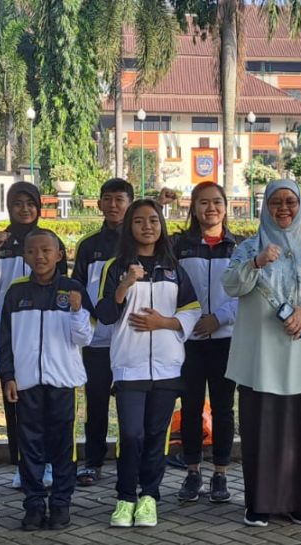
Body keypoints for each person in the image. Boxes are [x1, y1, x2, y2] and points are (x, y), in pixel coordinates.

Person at [223, 179, 301, 527]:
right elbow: (231, 285)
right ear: (265, 207)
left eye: (291, 201)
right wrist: (257, 262)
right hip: (262, 354)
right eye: (276, 202)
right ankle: (260, 503)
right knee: (261, 427)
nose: (284, 208)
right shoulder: (249, 247)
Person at [96, 199, 201, 527]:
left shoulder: (173, 268)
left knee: (156, 435)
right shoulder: (115, 267)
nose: (147, 226)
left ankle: (149, 497)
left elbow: (192, 309)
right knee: (131, 435)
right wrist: (125, 285)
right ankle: (125, 497)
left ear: (161, 225)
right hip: (129, 366)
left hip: (167, 367)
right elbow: (104, 314)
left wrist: (164, 323)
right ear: (129, 226)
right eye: (139, 221)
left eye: (153, 220)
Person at [0, 229, 93, 530]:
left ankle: (61, 503)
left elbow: (85, 337)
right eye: (32, 251)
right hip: (26, 383)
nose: (39, 256)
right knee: (29, 446)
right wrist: (8, 376)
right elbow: (5, 338)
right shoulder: (16, 291)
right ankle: (34, 503)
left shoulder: (72, 289)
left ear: (59, 254)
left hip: (62, 381)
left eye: (46, 250)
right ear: (25, 256)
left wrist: (76, 310)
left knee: (62, 445)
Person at [0, 182, 67, 490]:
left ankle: (48, 462)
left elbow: (63, 287)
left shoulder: (49, 241)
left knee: (47, 403)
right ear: (8, 207)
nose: (24, 209)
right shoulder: (1, 242)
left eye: (30, 203)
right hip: (11, 334)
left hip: (46, 332)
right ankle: (22, 465)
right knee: (16, 404)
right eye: (17, 203)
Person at [172, 182, 238, 503]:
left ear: (226, 207)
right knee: (191, 407)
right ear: (193, 208)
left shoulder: (239, 248)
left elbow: (248, 292)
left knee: (224, 409)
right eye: (203, 203)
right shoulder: (178, 247)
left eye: (217, 202)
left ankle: (220, 474)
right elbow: (170, 289)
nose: (211, 208)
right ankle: (192, 471)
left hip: (226, 340)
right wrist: (190, 321)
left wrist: (220, 318)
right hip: (190, 341)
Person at [73, 178, 134, 486]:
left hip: (131, 338)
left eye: (119, 199)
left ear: (130, 204)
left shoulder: (138, 243)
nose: (113, 205)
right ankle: (93, 463)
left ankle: (129, 463)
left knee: (129, 405)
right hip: (97, 339)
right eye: (107, 199)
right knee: (96, 403)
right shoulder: (88, 245)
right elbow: (78, 287)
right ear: (98, 204)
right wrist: (94, 316)